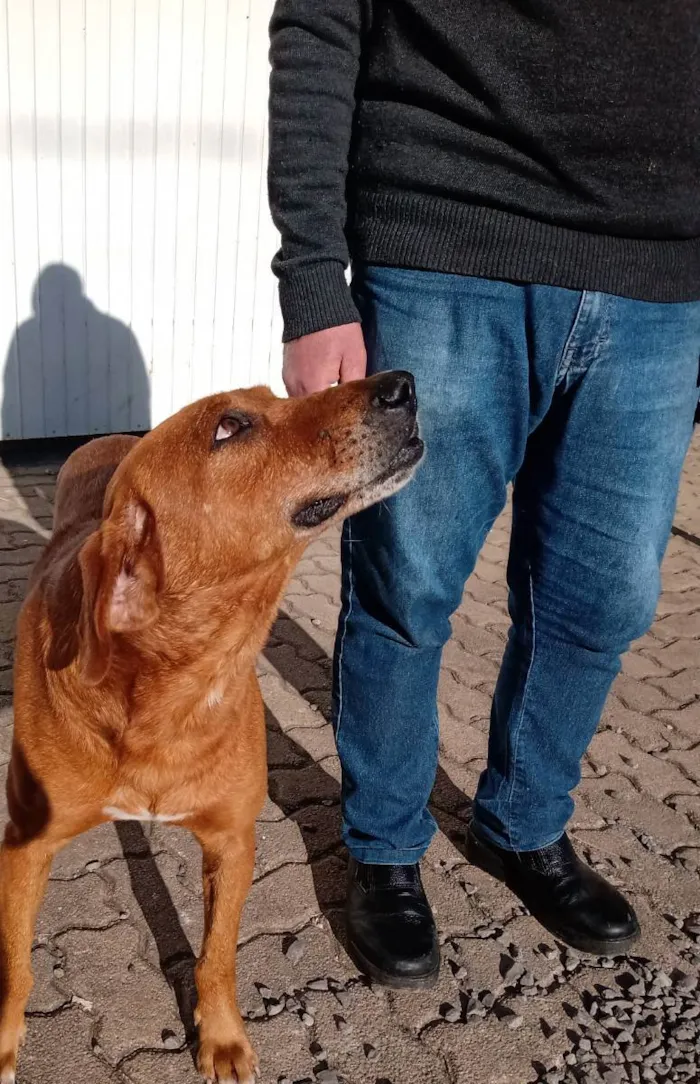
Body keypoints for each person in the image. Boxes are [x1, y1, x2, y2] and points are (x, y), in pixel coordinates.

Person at [268, 1, 700, 988]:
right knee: (406, 587)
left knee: (602, 599)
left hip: (661, 278)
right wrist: (312, 283)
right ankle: (383, 844)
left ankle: (524, 823)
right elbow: (320, 23)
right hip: (447, 239)